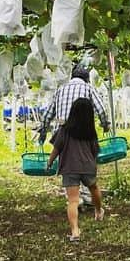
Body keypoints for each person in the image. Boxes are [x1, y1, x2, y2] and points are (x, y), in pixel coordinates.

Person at [38, 61, 110, 206]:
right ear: (86, 79)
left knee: (68, 163)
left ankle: (74, 198)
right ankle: (84, 195)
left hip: (62, 130)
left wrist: (43, 131)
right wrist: (105, 124)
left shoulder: (61, 89)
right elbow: (101, 109)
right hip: (83, 131)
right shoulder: (88, 88)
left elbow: (47, 114)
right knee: (83, 160)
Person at [47, 97, 103, 242]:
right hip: (87, 166)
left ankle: (75, 231)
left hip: (69, 168)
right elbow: (95, 151)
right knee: (94, 188)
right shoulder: (91, 132)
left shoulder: (64, 130)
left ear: (72, 112)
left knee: (73, 201)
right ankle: (98, 211)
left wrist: (49, 162)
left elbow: (56, 148)